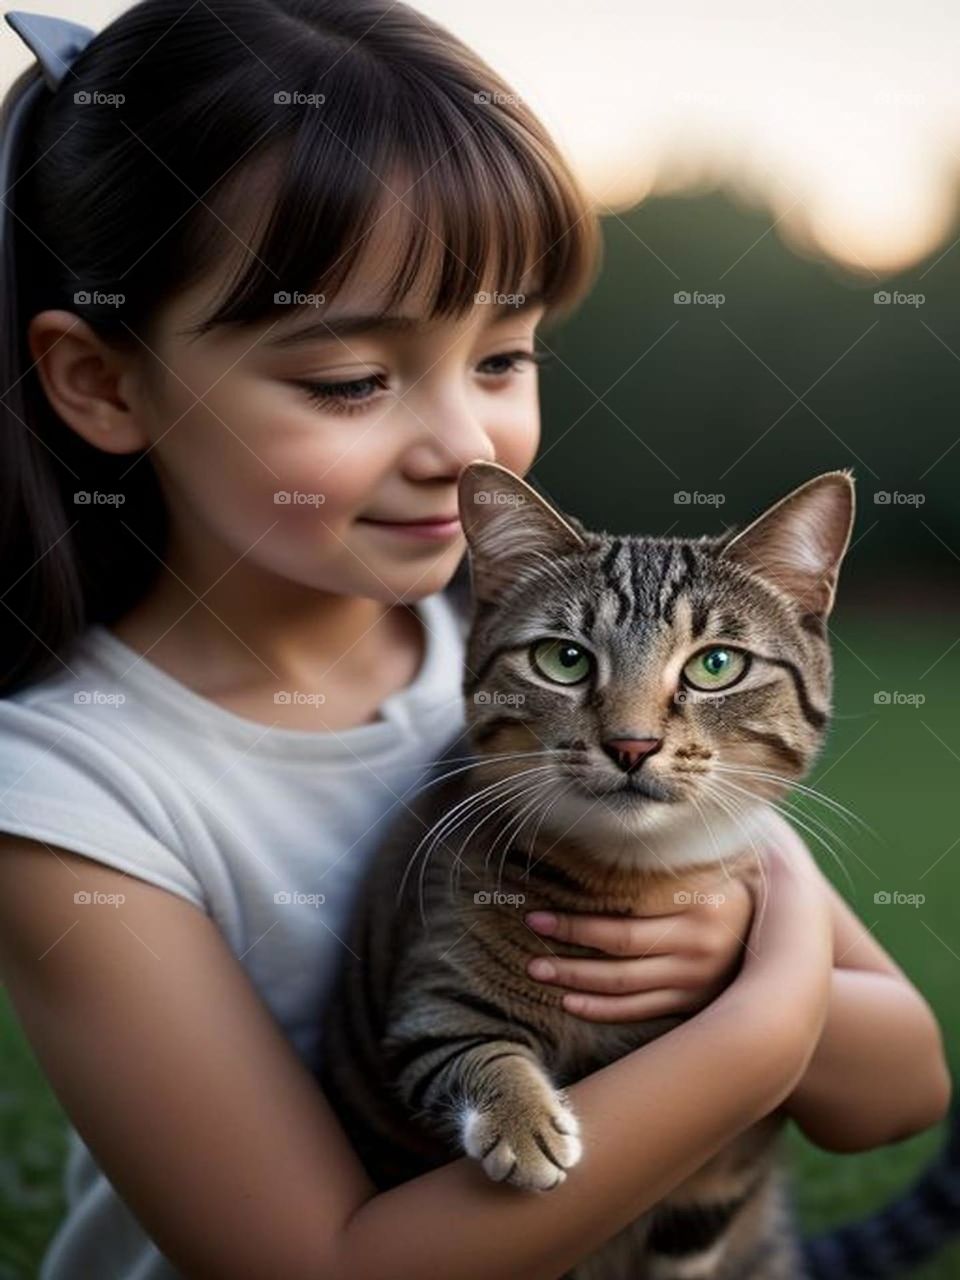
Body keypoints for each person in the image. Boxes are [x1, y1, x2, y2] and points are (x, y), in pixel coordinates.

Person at [0, 3, 949, 1278]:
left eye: (504, 356)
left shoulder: (543, 646)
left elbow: (896, 1087)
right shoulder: (65, 793)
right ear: (105, 382)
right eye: (349, 379)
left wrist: (744, 948)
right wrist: (763, 1012)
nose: (464, 445)